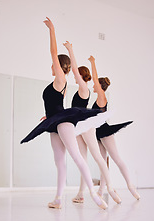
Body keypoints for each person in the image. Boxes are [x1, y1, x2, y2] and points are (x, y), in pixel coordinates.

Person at [20, 17, 111, 210]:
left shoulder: (61, 78)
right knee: (59, 162)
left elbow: (53, 52)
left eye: (54, 64)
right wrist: (49, 115)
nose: (51, 66)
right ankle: (58, 198)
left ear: (59, 66)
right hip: (54, 122)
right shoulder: (58, 84)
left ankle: (94, 195)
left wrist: (51, 29)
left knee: (77, 157)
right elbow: (55, 105)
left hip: (62, 122)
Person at [63, 41, 121, 204]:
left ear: (81, 76)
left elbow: (74, 68)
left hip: (86, 126)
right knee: (82, 160)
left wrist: (70, 50)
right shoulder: (80, 89)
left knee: (98, 157)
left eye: (77, 74)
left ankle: (110, 188)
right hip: (79, 127)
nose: (74, 76)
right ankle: (81, 193)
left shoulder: (84, 88)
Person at [88, 55, 140, 200]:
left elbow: (95, 80)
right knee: (103, 162)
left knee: (117, 159)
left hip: (105, 131)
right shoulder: (99, 98)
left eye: (95, 85)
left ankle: (131, 186)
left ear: (99, 86)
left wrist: (92, 63)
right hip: (97, 133)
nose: (93, 86)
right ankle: (101, 191)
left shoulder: (102, 97)